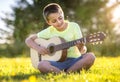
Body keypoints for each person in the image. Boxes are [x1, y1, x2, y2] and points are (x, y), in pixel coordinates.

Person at [25, 3, 95, 73]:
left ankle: (65, 73)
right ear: (48, 22)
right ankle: (66, 72)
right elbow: (28, 40)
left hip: (74, 61)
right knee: (41, 65)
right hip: (57, 63)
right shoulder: (49, 31)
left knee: (90, 57)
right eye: (54, 21)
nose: (59, 22)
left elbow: (82, 50)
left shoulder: (74, 26)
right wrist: (38, 48)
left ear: (63, 14)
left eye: (60, 18)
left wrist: (81, 47)